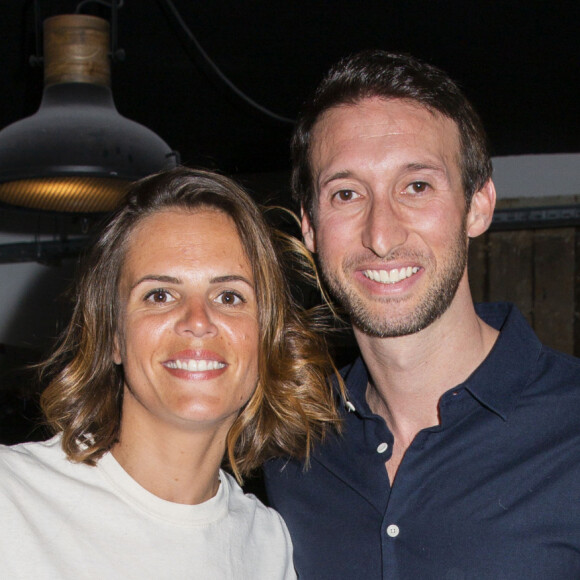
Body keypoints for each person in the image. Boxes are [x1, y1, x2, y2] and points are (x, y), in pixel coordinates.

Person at [264, 50, 580, 579]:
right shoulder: (292, 447)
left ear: (477, 206)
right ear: (312, 229)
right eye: (346, 194)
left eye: (416, 186)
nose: (381, 236)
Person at [0, 167, 341, 579]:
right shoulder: (12, 497)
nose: (198, 321)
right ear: (113, 335)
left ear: (267, 339)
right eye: (160, 295)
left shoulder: (268, 545)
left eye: (229, 296)